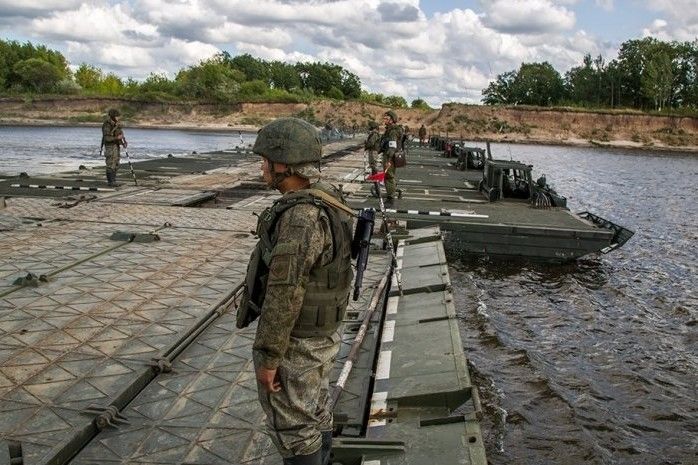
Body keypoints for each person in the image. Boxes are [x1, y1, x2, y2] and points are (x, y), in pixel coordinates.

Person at [237, 117, 354, 465]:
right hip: (324, 334)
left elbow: (284, 293)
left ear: (283, 165)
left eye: (264, 161)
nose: (261, 168)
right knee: (316, 411)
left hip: (299, 344)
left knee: (294, 427)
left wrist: (269, 357)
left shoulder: (301, 217)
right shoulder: (329, 199)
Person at [378, 110, 402, 202]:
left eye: (387, 118)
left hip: (390, 157)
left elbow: (392, 147)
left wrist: (388, 160)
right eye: (384, 118)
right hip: (388, 155)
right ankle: (391, 193)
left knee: (389, 176)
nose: (385, 120)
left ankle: (391, 197)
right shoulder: (389, 130)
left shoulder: (393, 131)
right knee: (388, 176)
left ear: (392, 120)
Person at [101, 108, 127, 186]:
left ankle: (114, 181)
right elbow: (107, 138)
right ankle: (111, 182)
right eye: (117, 116)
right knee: (110, 164)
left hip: (116, 146)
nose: (118, 118)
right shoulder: (107, 124)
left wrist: (124, 142)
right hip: (110, 147)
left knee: (116, 163)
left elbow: (120, 134)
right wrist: (117, 138)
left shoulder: (117, 124)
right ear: (112, 116)